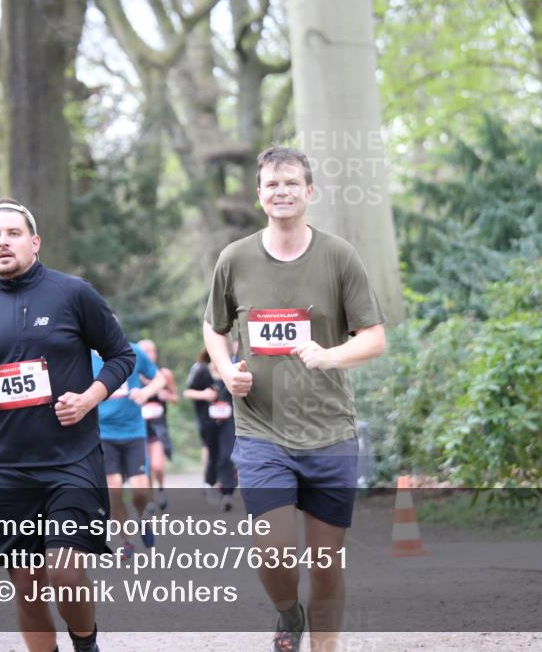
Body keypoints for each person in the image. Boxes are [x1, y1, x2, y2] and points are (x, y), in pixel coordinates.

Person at [202, 147, 386, 652]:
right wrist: (225, 370)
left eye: (291, 183)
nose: (281, 192)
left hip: (329, 432)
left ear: (309, 192)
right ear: (260, 195)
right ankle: (288, 613)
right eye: (271, 185)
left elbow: (373, 337)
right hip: (262, 429)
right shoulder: (235, 258)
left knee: (326, 567)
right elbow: (214, 328)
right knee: (274, 555)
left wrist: (330, 356)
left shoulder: (338, 256)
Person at [0, 198, 134, 652]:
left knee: (66, 570)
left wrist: (89, 398)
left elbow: (121, 356)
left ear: (34, 241)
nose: (3, 242)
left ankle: (86, 645)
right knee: (27, 588)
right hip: (8, 467)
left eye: (12, 233)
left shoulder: (73, 293)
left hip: (71, 459)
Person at [92, 336, 166, 558]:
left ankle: (143, 519)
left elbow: (159, 379)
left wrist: (145, 392)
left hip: (133, 432)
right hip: (104, 433)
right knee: (113, 491)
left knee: (140, 491)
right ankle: (126, 541)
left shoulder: (132, 351)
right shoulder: (84, 356)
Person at [183, 348, 237, 511]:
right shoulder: (200, 370)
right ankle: (210, 483)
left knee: (227, 454)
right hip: (208, 421)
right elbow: (187, 392)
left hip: (229, 420)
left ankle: (227, 492)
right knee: (213, 455)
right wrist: (204, 395)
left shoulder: (232, 370)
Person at [136, 339, 178, 511]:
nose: (147, 354)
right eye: (143, 350)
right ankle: (150, 499)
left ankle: (160, 489)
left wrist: (164, 395)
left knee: (157, 466)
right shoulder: (133, 374)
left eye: (150, 350)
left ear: (155, 353)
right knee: (144, 466)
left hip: (158, 427)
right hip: (138, 426)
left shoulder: (164, 375)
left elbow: (176, 398)